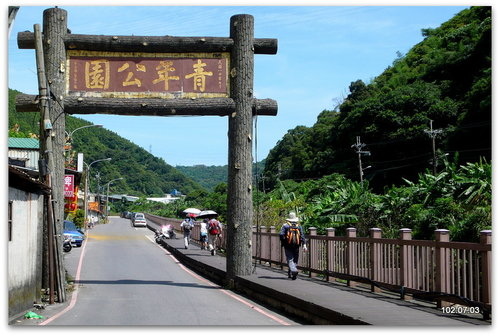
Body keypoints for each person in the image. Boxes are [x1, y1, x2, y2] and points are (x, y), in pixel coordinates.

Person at [279, 212, 307, 280]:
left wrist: (284, 241)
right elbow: (302, 236)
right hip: (296, 245)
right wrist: (304, 245)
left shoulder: (285, 225)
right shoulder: (298, 226)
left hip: (287, 245)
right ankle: (291, 273)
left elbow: (281, 234)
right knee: (295, 259)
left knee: (290, 259)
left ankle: (293, 271)